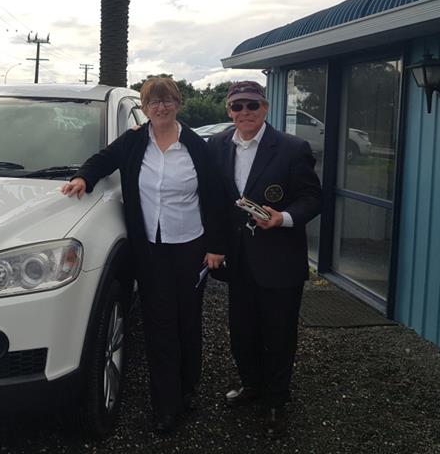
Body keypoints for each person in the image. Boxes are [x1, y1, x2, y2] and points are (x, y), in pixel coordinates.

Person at [61, 77, 227, 435]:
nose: (161, 107)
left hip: (191, 246)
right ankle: (166, 405)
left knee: (187, 321)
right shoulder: (135, 140)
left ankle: (188, 387)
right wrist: (83, 178)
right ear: (146, 108)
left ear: (178, 104)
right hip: (150, 248)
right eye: (154, 102)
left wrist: (216, 246)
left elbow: (215, 197)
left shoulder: (196, 146)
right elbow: (104, 159)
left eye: (167, 101)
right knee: (159, 325)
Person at [206, 80, 321, 439]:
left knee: (279, 334)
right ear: (229, 111)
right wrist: (144, 131)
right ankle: (252, 385)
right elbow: (214, 199)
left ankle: (276, 401)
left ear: (265, 108)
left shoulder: (292, 148)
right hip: (238, 260)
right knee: (242, 331)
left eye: (252, 105)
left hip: (279, 260)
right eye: (237, 106)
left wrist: (283, 218)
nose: (245, 112)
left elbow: (312, 199)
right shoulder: (217, 144)